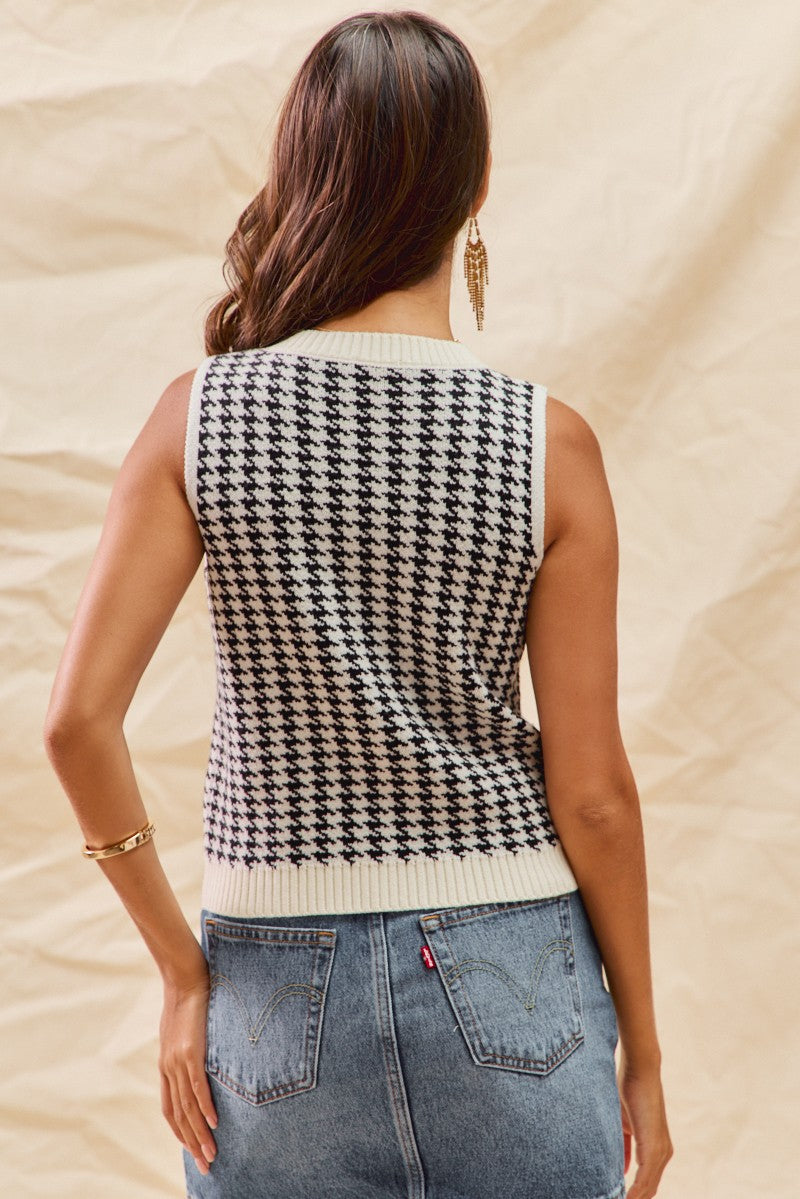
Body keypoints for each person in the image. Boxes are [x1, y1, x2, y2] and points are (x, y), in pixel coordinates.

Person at [43, 10, 673, 1199]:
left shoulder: (198, 418)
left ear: (301, 175)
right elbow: (591, 793)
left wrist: (180, 972)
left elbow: (76, 723)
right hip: (512, 967)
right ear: (474, 187)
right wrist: (641, 1046)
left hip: (270, 994)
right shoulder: (545, 446)